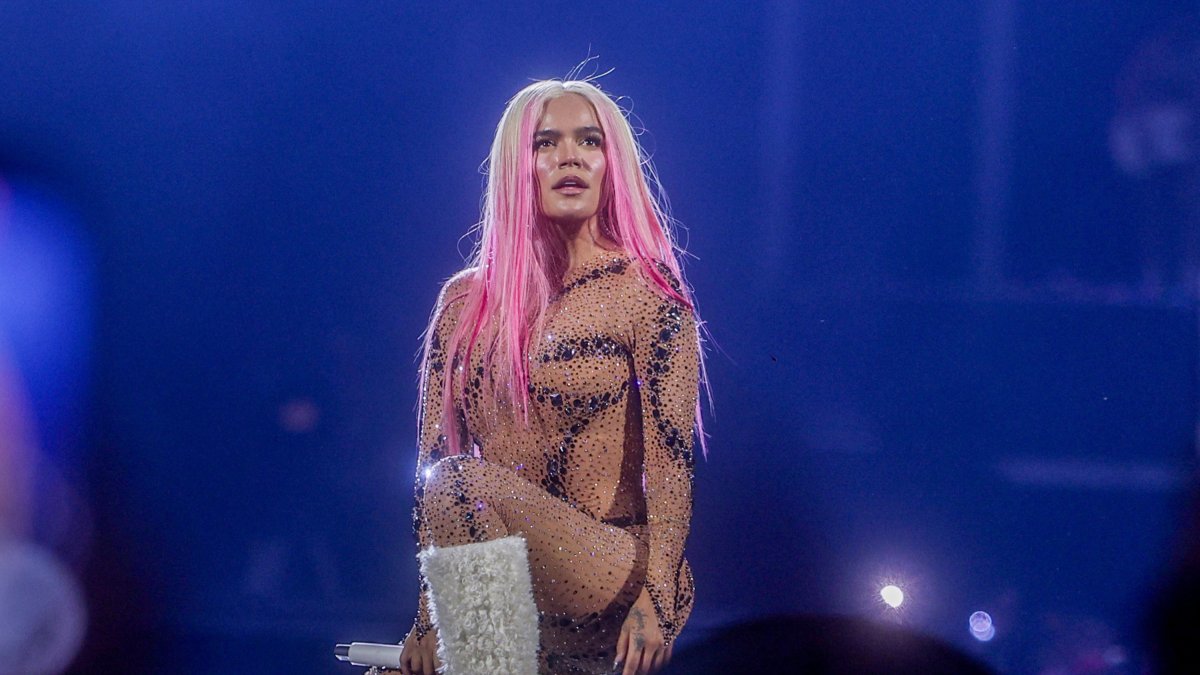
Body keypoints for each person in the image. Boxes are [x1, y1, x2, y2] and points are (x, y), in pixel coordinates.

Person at [394, 78, 704, 675]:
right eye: (546, 143)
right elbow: (431, 467)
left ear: (611, 162)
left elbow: (672, 465)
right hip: (504, 575)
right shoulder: (463, 307)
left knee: (459, 481)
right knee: (448, 479)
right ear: (517, 165)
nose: (570, 157)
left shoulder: (646, 296)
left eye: (589, 141)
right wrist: (429, 617)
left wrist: (659, 598)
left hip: (615, 570)